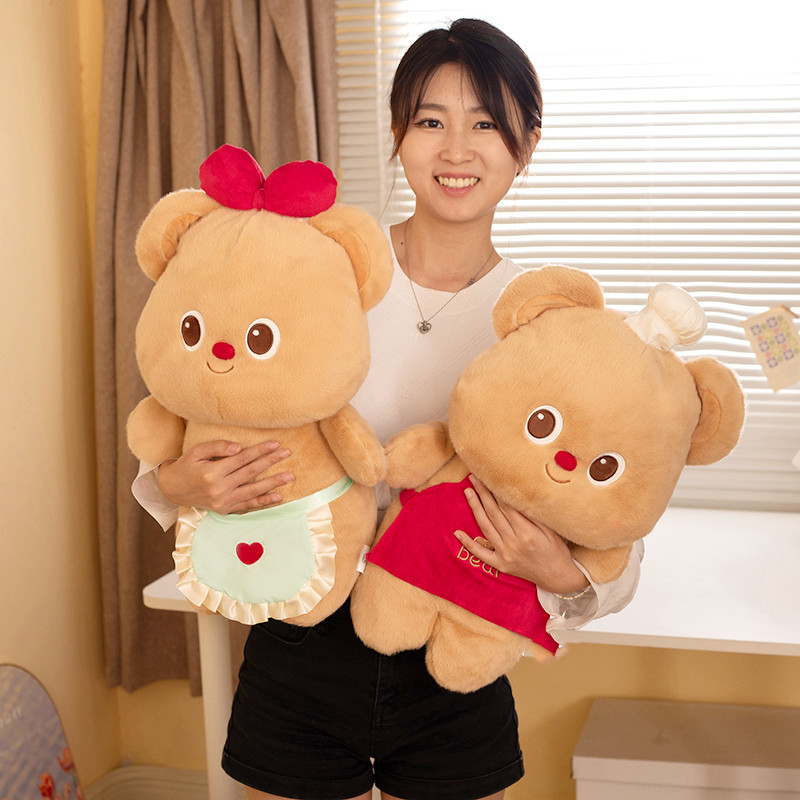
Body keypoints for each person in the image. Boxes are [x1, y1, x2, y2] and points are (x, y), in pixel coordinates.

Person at [133, 18, 642, 800]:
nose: (456, 150)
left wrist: (562, 576)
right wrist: (176, 484)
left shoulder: (548, 325)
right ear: (399, 133)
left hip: (453, 657)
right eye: (431, 121)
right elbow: (193, 414)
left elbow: (618, 510)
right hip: (298, 640)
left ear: (527, 146)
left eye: (486, 125)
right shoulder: (317, 265)